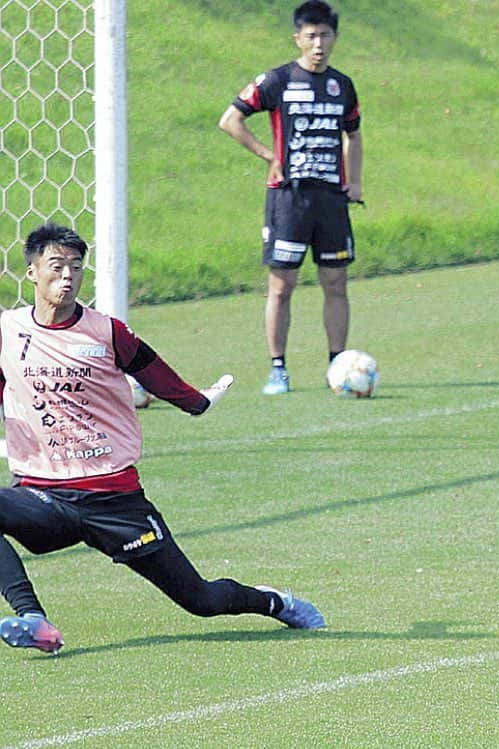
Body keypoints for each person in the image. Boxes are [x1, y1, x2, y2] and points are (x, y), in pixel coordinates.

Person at [0, 224, 326, 656]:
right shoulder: (9, 330)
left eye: (76, 268)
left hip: (115, 500)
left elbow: (157, 374)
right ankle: (34, 619)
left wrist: (198, 403)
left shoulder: (106, 332)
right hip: (45, 496)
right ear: (32, 273)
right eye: (56, 267)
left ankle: (272, 601)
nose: (67, 277)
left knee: (202, 600)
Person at [219, 0, 362, 395]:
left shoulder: (342, 86)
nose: (319, 44)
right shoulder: (277, 81)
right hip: (289, 199)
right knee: (282, 286)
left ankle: (339, 365)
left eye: (326, 35)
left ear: (335, 38)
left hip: (331, 200)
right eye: (311, 36)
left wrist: (356, 182)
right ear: (298, 38)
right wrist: (269, 155)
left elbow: (353, 134)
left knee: (336, 283)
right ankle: (277, 369)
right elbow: (230, 120)